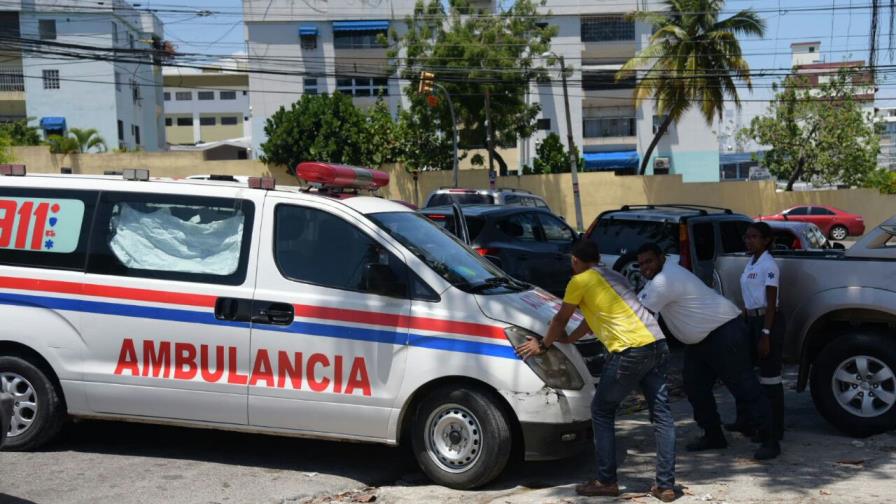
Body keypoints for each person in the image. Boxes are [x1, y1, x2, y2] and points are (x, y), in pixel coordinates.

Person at [517, 240, 677, 502]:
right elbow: (594, 318)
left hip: (629, 349)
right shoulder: (614, 276)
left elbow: (560, 318)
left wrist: (543, 344)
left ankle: (606, 480)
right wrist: (570, 339)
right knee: (662, 415)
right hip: (657, 343)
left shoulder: (579, 281)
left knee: (601, 411)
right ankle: (666, 486)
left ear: (575, 260)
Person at [635, 242, 780, 460]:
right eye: (641, 264)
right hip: (701, 340)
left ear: (661, 258)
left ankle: (770, 440)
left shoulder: (664, 280)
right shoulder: (662, 275)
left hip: (723, 332)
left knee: (745, 387)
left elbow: (639, 314)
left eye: (649, 261)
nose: (645, 267)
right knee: (695, 387)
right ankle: (713, 435)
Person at [727, 222, 785, 441]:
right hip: (751, 320)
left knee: (770, 377)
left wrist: (766, 334)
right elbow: (749, 297)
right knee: (743, 373)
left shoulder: (768, 265)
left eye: (754, 237)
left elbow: (771, 303)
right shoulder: (751, 262)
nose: (748, 241)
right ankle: (748, 421)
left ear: (766, 240)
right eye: (747, 237)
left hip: (767, 321)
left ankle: (774, 429)